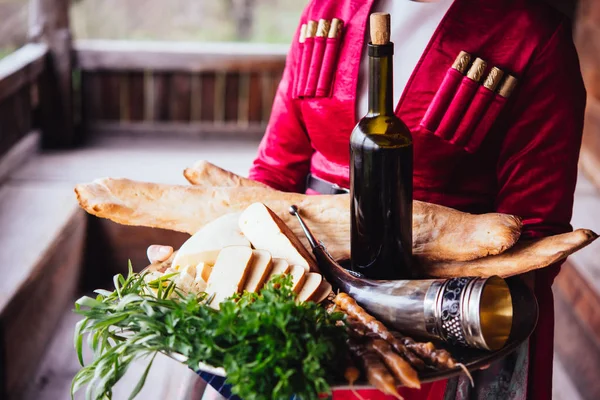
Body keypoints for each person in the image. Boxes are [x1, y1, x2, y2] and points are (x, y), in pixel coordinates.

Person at [149, 0, 585, 398]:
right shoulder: (327, 10)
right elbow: (274, 170)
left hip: (440, 304)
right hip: (299, 276)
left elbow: (535, 230)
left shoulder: (530, 34)